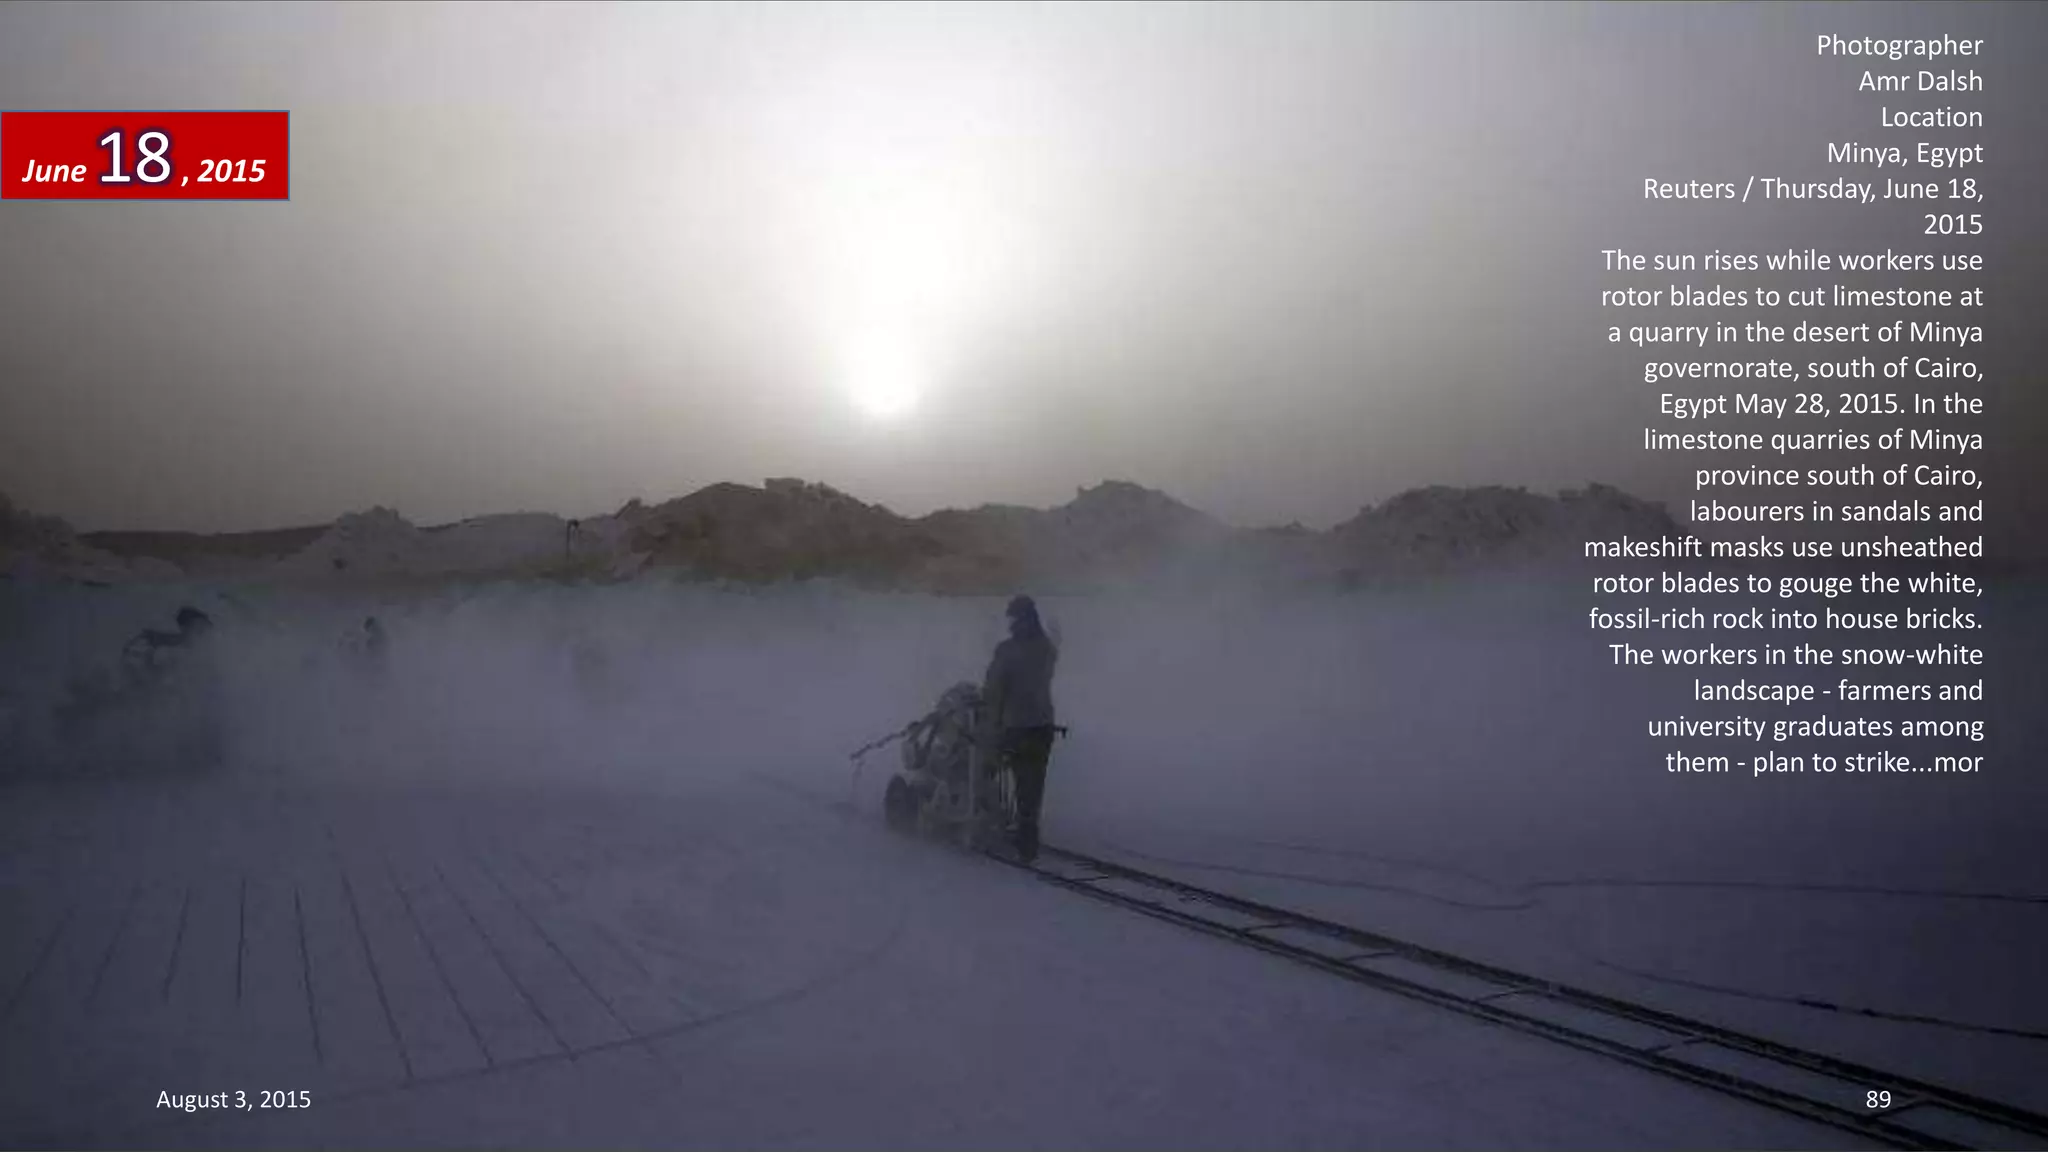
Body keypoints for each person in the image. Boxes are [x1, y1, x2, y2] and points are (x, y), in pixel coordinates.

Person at [981, 594, 1058, 861]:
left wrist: (991, 719)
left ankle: (985, 818)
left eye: (1013, 618)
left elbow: (994, 688)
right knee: (1033, 784)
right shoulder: (1046, 647)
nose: (1012, 623)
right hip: (1043, 725)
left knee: (989, 766)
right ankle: (1028, 834)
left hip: (1016, 726)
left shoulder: (1008, 650)